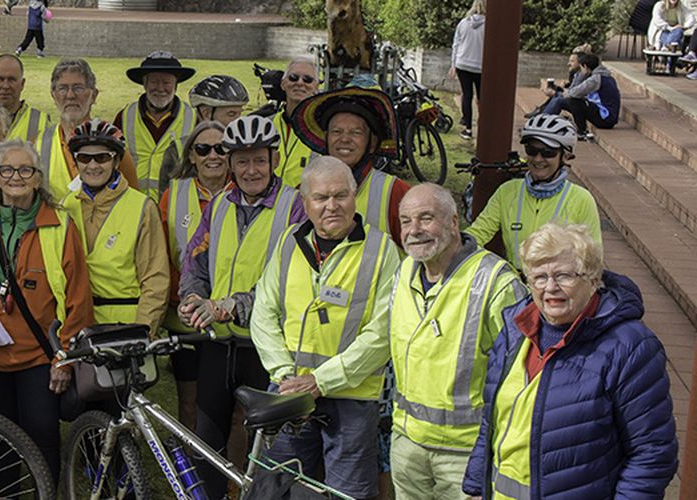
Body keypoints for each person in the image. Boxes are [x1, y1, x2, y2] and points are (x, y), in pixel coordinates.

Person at [463, 223, 679, 499]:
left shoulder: (630, 347)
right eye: (539, 277)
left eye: (564, 275)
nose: (550, 287)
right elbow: (492, 421)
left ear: (593, 279)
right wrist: (476, 486)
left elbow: (652, 453)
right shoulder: (515, 330)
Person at [248, 157, 399, 499]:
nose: (332, 206)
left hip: (352, 396)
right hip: (289, 392)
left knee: (348, 493)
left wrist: (321, 380)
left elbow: (382, 333)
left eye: (340, 195)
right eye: (321, 197)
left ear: (354, 196)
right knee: (278, 488)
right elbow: (264, 312)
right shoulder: (289, 242)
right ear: (305, 202)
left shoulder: (381, 250)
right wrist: (285, 375)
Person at [176, 114, 306, 499]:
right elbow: (195, 259)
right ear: (230, 163)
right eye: (243, 161)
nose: (252, 170)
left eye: (260, 160)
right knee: (208, 439)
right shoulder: (219, 204)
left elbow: (290, 281)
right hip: (219, 343)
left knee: (267, 450)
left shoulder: (295, 207)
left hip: (267, 348)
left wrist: (232, 305)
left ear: (274, 160)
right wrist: (192, 297)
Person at [0, 139, 94, 475]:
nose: (15, 177)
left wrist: (64, 359)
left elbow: (78, 299)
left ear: (38, 177)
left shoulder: (60, 225)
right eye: (7, 170)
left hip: (40, 356)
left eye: (25, 170)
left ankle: (45, 491)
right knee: (1, 437)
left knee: (42, 432)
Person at [386, 183, 524, 498]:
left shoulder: (495, 281)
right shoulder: (404, 271)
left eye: (426, 218)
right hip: (407, 445)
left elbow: (521, 377)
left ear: (453, 222)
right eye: (406, 221)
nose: (414, 230)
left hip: (465, 454)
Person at [157, 121, 231, 430]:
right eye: (203, 149)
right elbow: (161, 254)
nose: (213, 155)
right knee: (189, 399)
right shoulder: (174, 194)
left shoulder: (243, 192)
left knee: (228, 404)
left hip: (228, 316)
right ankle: (190, 455)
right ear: (191, 156)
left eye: (221, 149)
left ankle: (225, 458)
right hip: (184, 317)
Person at [63, 119, 170, 329]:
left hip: (126, 325)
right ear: (76, 162)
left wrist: (143, 331)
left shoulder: (142, 207)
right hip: (77, 323)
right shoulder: (66, 205)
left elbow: (155, 280)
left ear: (117, 161)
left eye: (102, 158)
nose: (93, 166)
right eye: (84, 158)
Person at [465, 115, 602, 270]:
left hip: (557, 283)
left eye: (548, 152)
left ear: (565, 156)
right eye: (531, 150)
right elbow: (478, 233)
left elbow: (593, 259)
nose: (537, 159)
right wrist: (453, 248)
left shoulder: (581, 199)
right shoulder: (507, 191)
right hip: (515, 282)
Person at [289, 86, 411, 243]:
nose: (345, 139)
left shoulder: (395, 193)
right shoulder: (305, 190)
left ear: (372, 143)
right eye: (336, 131)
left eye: (356, 132)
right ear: (326, 139)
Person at [46, 58, 139, 200]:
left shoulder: (114, 145)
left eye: (78, 88)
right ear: (53, 96)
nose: (70, 95)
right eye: (62, 89)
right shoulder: (39, 145)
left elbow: (133, 201)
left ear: (94, 95)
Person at [115, 51, 198, 198]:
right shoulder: (124, 116)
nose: (160, 88)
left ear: (176, 86)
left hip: (174, 203)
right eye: (154, 81)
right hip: (133, 203)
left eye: (166, 82)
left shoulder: (193, 119)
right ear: (145, 84)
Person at [260, 58, 321, 186]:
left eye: (307, 79)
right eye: (293, 78)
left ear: (316, 87)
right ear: (283, 84)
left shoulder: (322, 131)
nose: (300, 83)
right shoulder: (264, 125)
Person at [0, 54, 58, 147]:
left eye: (11, 80)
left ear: (22, 84)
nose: (5, 86)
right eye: (0, 79)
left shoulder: (40, 121)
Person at [544, 52, 619, 136]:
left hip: (605, 118)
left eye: (581, 68)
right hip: (607, 116)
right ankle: (543, 118)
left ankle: (544, 121)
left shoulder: (596, 79)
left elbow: (575, 92)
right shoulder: (605, 76)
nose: (581, 71)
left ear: (585, 67)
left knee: (571, 100)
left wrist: (558, 92)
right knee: (563, 99)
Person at [449, 0, 485, 140]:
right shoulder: (489, 26)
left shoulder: (463, 23)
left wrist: (453, 64)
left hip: (463, 64)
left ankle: (468, 129)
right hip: (480, 66)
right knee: (482, 97)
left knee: (466, 95)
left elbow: (456, 44)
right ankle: (483, 124)